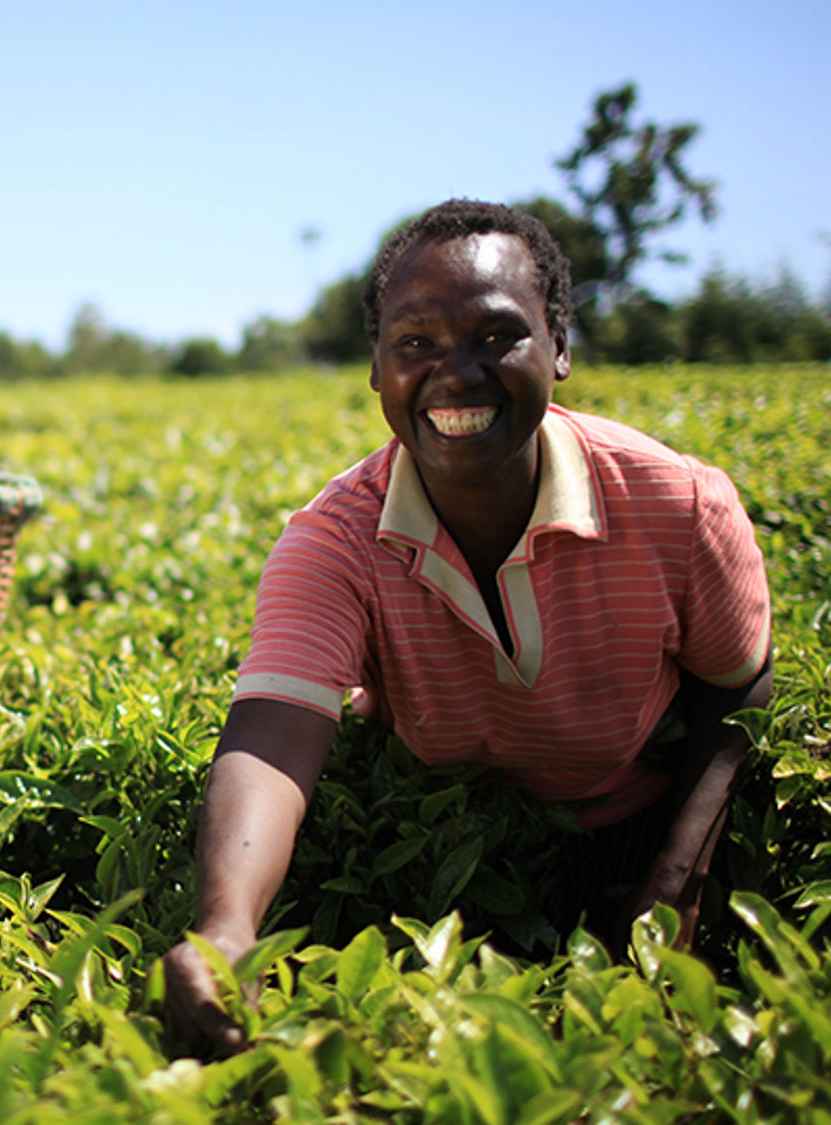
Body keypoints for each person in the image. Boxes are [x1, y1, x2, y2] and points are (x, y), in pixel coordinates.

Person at [159, 199, 773, 1057]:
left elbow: (737, 684)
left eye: (496, 336)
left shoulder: (678, 506)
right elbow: (273, 733)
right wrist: (226, 926)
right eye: (415, 343)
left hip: (633, 819)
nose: (456, 373)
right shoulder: (333, 540)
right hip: (445, 838)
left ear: (559, 345)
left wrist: (674, 882)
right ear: (376, 368)